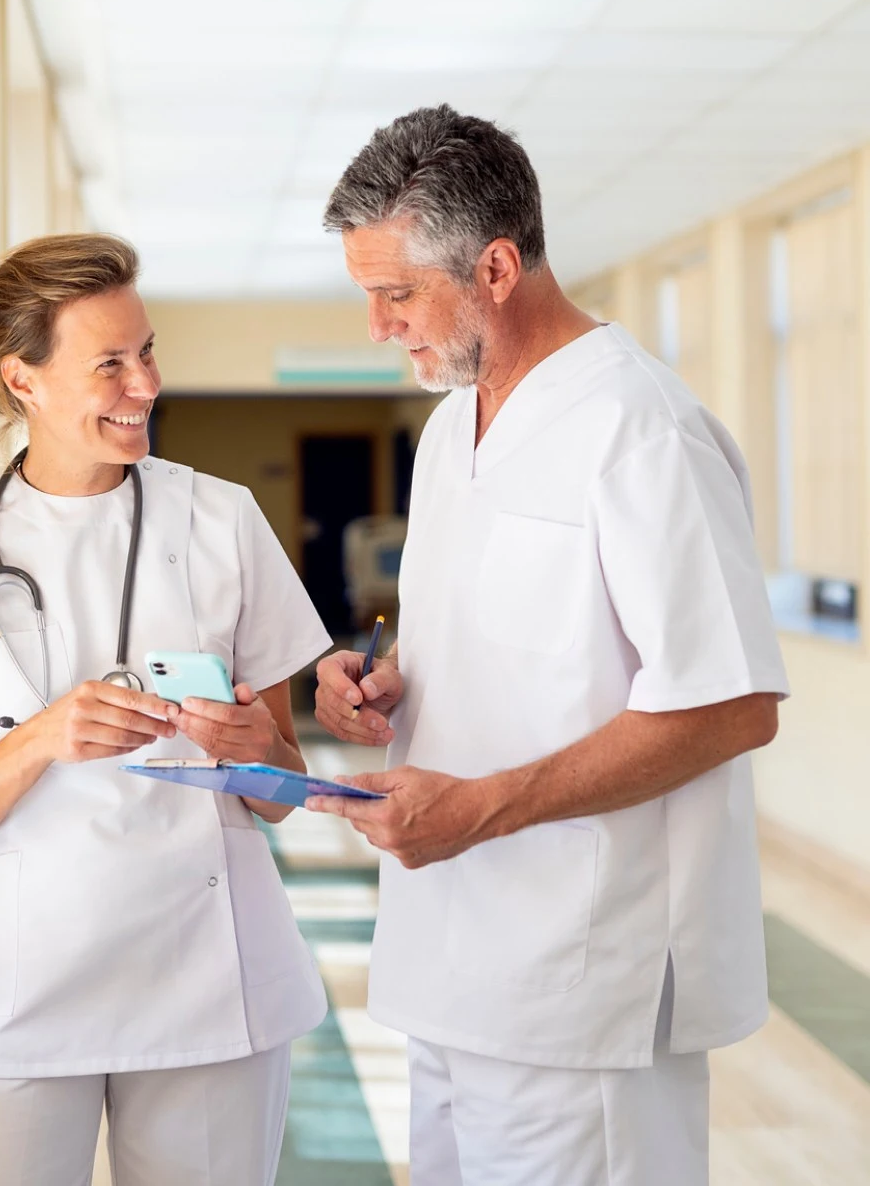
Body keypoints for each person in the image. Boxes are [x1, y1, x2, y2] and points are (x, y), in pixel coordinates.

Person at [309, 105, 789, 1186]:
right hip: (447, 963)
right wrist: (380, 688)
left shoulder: (641, 429)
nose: (379, 328)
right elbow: (506, 647)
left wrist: (481, 806)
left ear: (494, 265)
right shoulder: (448, 431)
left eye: (396, 295)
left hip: (585, 986)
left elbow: (731, 704)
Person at [0, 233, 331, 1186]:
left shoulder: (223, 519)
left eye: (146, 351)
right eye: (109, 363)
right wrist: (36, 742)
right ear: (21, 377)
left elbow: (285, 791)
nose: (144, 384)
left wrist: (255, 747)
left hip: (210, 985)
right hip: (23, 995)